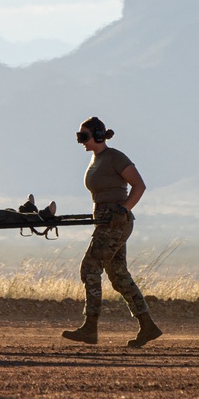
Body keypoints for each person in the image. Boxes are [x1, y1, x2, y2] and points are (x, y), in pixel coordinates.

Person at [62, 117, 163, 348]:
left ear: (98, 136)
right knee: (118, 274)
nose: (81, 142)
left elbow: (139, 185)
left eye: (84, 137)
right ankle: (148, 326)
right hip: (105, 219)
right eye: (80, 137)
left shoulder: (115, 157)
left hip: (115, 221)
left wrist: (123, 209)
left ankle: (90, 328)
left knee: (90, 268)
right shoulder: (96, 159)